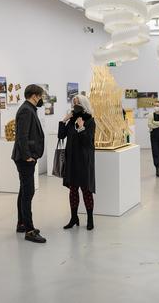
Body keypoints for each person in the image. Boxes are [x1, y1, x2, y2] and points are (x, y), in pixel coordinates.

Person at [12, 85, 46, 243]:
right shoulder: (26, 110)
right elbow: (22, 136)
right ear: (34, 96)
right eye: (40, 96)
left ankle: (22, 223)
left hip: (26, 157)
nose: (41, 99)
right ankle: (29, 230)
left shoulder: (29, 108)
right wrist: (27, 157)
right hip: (25, 159)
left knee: (24, 191)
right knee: (28, 193)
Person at [59, 95, 96, 231]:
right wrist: (65, 120)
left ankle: (90, 219)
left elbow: (88, 142)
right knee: (73, 190)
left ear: (84, 104)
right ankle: (74, 218)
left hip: (84, 161)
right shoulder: (71, 120)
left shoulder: (90, 121)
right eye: (73, 103)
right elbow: (61, 136)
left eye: (78, 103)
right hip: (72, 160)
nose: (75, 106)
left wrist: (81, 128)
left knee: (86, 190)